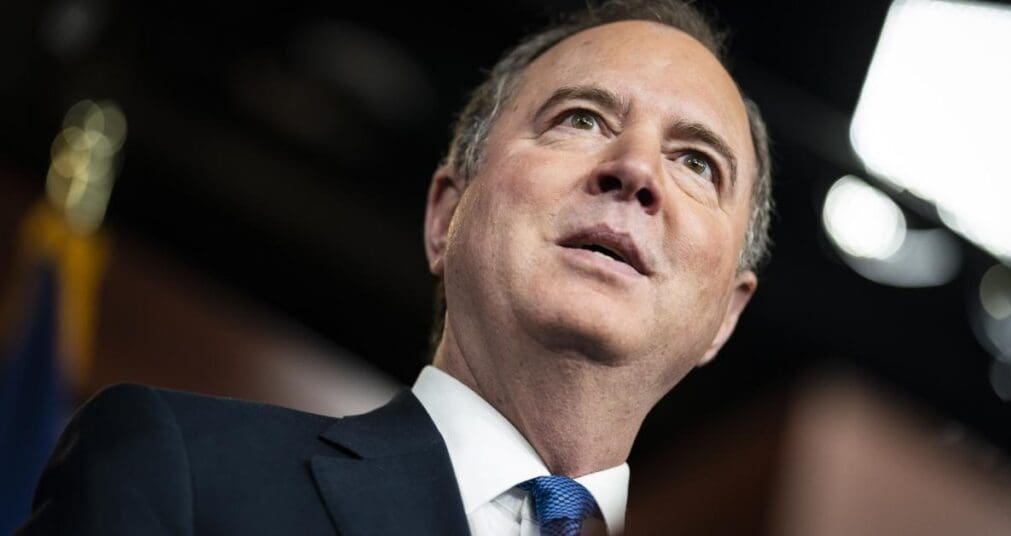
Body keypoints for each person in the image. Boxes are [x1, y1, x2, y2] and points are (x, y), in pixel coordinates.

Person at [17, 0, 772, 534]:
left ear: (727, 316)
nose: (636, 169)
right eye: (581, 118)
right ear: (446, 215)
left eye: (697, 163)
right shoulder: (180, 471)